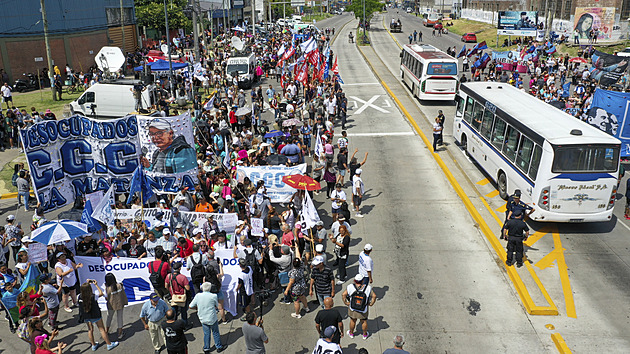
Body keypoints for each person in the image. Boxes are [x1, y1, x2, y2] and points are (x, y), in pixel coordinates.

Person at [78, 280, 119, 351]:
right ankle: (109, 344)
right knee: (102, 329)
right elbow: (101, 293)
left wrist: (87, 283)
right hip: (95, 315)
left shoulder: (79, 296)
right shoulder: (93, 296)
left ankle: (93, 345)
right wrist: (96, 285)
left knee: (90, 330)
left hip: (86, 316)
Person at [189, 282, 228, 353]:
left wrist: (197, 308)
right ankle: (219, 347)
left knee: (206, 333)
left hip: (203, 317)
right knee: (215, 332)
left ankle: (206, 348)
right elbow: (216, 305)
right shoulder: (213, 296)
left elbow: (190, 306)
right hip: (212, 317)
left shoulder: (198, 296)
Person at [343, 274, 377, 340]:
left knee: (353, 320)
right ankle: (364, 334)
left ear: (355, 280)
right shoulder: (368, 288)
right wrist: (371, 304)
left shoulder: (350, 286)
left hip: (353, 308)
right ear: (362, 280)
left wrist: (346, 302)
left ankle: (351, 333)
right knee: (364, 322)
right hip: (363, 309)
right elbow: (374, 296)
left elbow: (343, 294)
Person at [165, 262, 191, 328]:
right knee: (183, 312)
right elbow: (187, 288)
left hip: (173, 296)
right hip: (182, 297)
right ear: (179, 269)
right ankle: (184, 326)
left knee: (174, 311)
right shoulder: (183, 277)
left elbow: (166, 286)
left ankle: (174, 325)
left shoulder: (169, 276)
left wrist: (171, 291)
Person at [103, 273, 128, 339]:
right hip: (120, 304)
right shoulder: (120, 285)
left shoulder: (107, 288)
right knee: (120, 318)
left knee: (109, 317)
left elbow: (106, 297)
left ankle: (106, 331)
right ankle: (120, 333)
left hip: (111, 305)